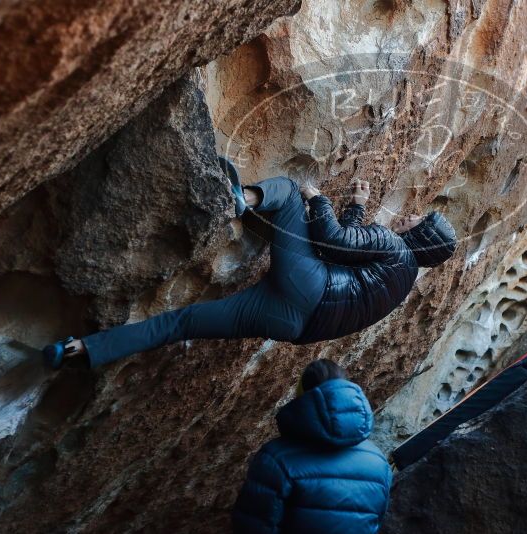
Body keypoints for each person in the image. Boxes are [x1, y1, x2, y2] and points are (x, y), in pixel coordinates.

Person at [42, 158, 457, 369]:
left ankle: (241, 198)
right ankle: (78, 351)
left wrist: (319, 200)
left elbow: (330, 240)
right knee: (181, 324)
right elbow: (344, 253)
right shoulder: (402, 281)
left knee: (292, 191)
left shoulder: (392, 244)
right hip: (292, 325)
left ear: (421, 235)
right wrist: (356, 209)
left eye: (419, 220)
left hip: (308, 286)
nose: (410, 216)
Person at [232, 359, 391, 533]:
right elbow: (374, 522)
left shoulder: (277, 458)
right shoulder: (378, 462)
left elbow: (253, 526)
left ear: (302, 396)